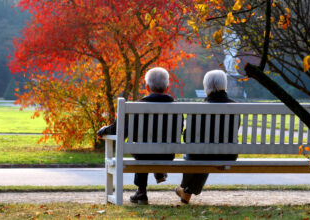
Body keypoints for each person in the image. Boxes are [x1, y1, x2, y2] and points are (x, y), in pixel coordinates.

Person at [98, 67, 180, 205]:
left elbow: (118, 130)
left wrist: (104, 130)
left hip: (143, 153)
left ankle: (141, 192)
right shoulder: (177, 108)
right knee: (146, 146)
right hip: (167, 154)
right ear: (167, 87)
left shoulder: (136, 107)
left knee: (141, 145)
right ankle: (158, 172)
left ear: (147, 87)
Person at [175, 69, 240, 204]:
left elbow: (188, 138)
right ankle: (187, 192)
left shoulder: (198, 109)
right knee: (206, 152)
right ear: (224, 85)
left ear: (206, 87)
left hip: (201, 154)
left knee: (197, 153)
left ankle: (184, 188)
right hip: (227, 155)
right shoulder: (235, 107)